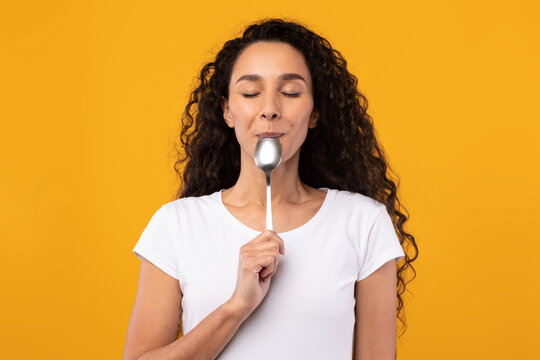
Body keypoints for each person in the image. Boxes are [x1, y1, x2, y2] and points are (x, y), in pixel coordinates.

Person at [123, 18, 418, 360]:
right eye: (250, 93)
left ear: (315, 113)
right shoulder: (175, 225)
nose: (269, 110)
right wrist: (236, 307)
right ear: (227, 111)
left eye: (290, 92)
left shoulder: (363, 222)